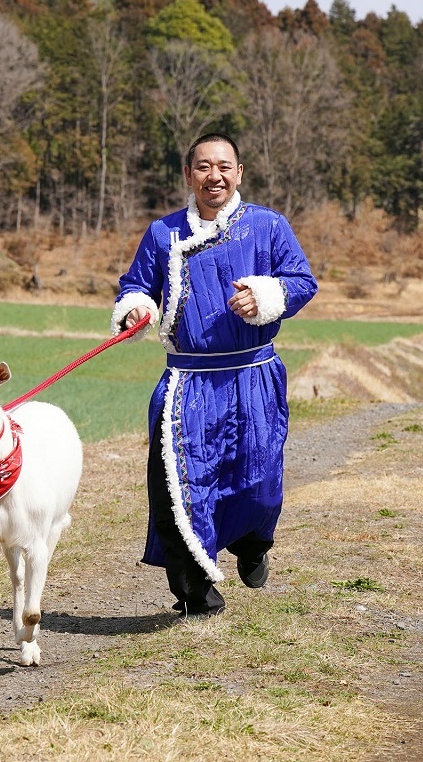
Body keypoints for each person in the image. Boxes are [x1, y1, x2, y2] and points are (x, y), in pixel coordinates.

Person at [111, 132, 317, 618]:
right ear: (189, 175)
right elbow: (136, 285)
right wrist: (135, 310)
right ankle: (195, 594)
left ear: (239, 173)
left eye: (224, 166)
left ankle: (253, 544)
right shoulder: (163, 234)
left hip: (254, 377)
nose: (214, 176)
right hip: (188, 384)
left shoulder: (268, 226)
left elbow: (301, 280)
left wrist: (267, 297)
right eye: (203, 167)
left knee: (260, 480)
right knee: (180, 491)